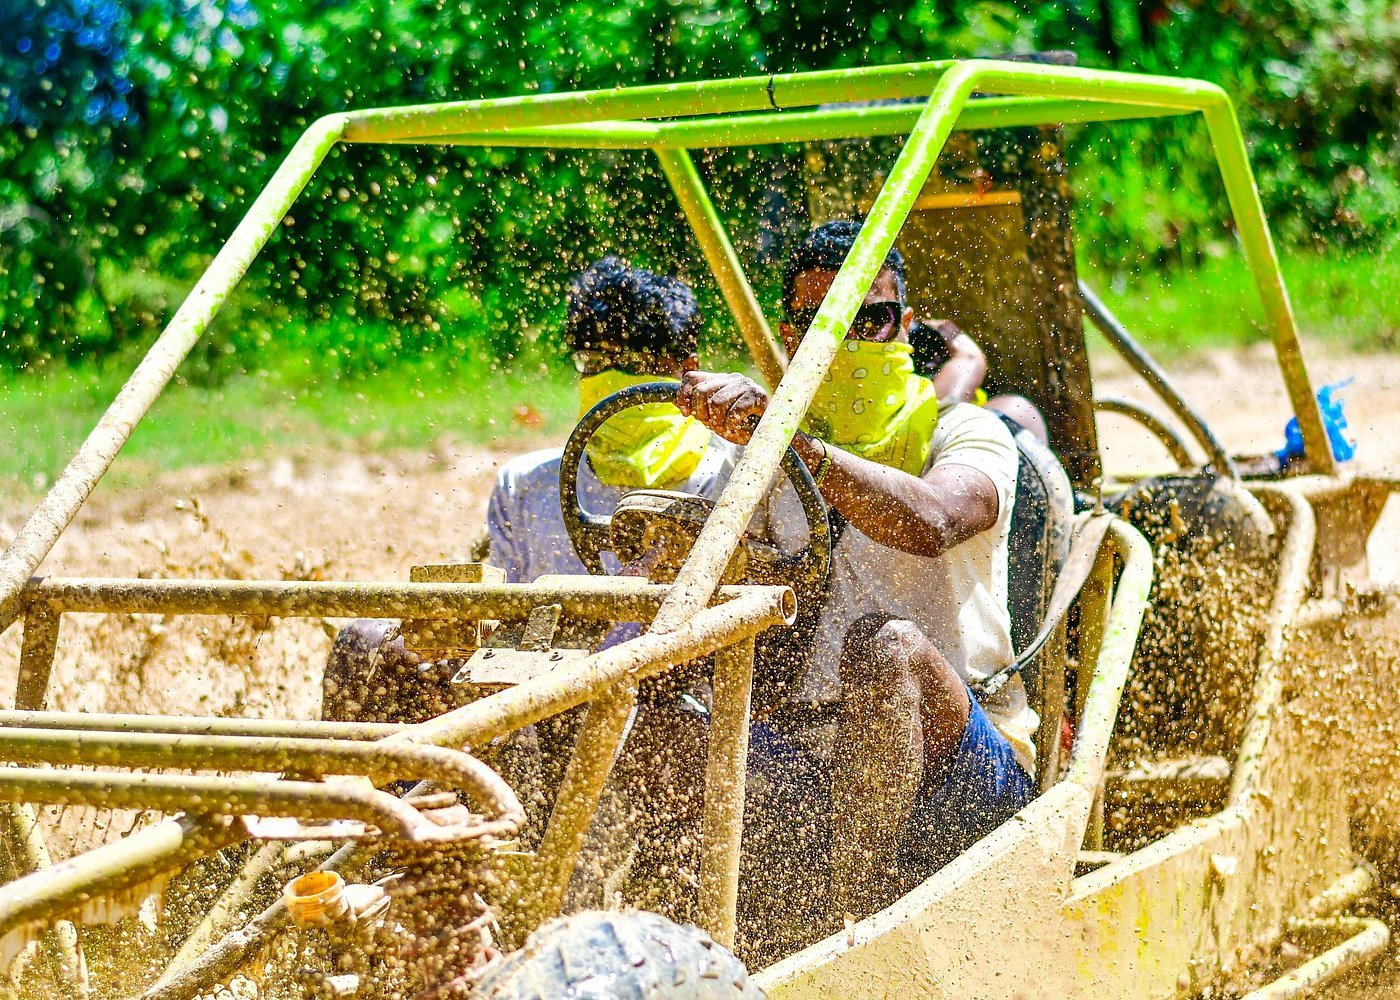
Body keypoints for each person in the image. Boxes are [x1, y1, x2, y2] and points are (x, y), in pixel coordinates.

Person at [677, 220, 1038, 933]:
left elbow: (932, 520)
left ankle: (854, 924)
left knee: (887, 649)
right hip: (813, 766)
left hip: (963, 770)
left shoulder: (964, 431)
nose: (843, 342)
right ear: (789, 335)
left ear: (901, 325)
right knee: (653, 692)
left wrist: (792, 442)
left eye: (866, 319)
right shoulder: (754, 458)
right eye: (818, 324)